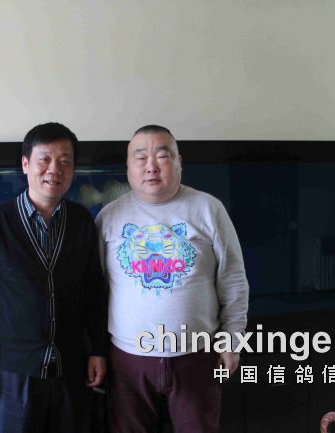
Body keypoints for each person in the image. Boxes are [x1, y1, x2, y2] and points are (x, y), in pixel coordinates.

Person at [95, 125, 249, 433]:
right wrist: (96, 350)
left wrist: (232, 341)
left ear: (179, 162)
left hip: (197, 356)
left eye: (163, 156)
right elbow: (96, 290)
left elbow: (233, 280)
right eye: (141, 157)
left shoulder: (208, 209)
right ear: (128, 166)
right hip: (128, 360)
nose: (151, 166)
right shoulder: (109, 217)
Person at [0, 122, 107, 433]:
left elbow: (94, 292)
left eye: (65, 161)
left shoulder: (82, 221)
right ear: (25, 164)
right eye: (44, 159)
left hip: (72, 369)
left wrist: (98, 349)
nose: (54, 169)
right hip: (14, 372)